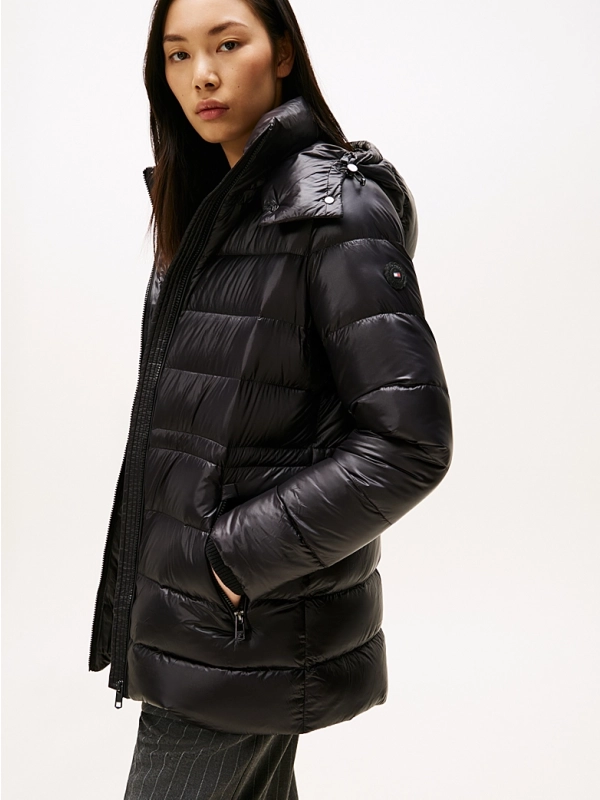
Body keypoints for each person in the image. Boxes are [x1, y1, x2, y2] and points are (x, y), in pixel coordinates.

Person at [88, 0, 453, 796]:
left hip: (234, 629)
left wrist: (228, 562)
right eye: (178, 55)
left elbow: (409, 442)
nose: (202, 75)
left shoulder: (333, 210)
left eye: (227, 44)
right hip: (206, 631)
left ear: (282, 52)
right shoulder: (215, 209)